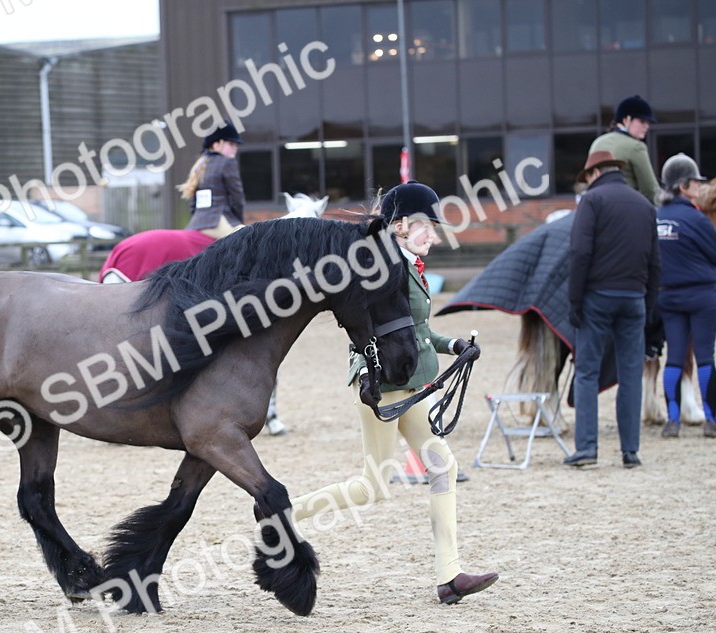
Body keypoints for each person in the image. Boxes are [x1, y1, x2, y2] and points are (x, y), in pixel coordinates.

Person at [288, 182, 497, 606]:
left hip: (410, 387)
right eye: (426, 228)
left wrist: (454, 345)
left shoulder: (411, 266)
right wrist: (366, 374)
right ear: (400, 226)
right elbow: (360, 330)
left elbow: (418, 332)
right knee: (373, 487)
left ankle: (449, 575)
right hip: (379, 389)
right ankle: (285, 513)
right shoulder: (378, 269)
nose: (434, 237)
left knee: (442, 466)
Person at [564, 150, 660, 468]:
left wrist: (574, 300)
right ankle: (630, 451)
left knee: (587, 373)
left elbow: (579, 252)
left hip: (597, 297)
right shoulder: (645, 205)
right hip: (634, 298)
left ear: (593, 174)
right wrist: (648, 304)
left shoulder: (592, 202)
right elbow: (655, 262)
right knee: (631, 374)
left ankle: (588, 449)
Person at [655, 153, 716, 438]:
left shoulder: (657, 218)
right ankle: (711, 420)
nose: (700, 187)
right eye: (696, 183)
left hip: (669, 299)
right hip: (701, 297)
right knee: (705, 357)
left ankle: (672, 421)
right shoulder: (695, 218)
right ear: (683, 186)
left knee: (674, 359)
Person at [179, 122, 245, 238]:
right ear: (216, 144)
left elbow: (193, 205)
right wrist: (239, 221)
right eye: (231, 143)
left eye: (236, 144)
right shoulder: (228, 163)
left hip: (196, 224)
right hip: (218, 223)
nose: (235, 147)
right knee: (250, 242)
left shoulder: (199, 165)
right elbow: (237, 199)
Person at [589, 95, 660, 203]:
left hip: (597, 207)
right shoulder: (636, 146)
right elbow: (650, 190)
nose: (647, 126)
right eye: (642, 121)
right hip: (627, 208)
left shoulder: (597, 142)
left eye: (648, 122)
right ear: (627, 119)